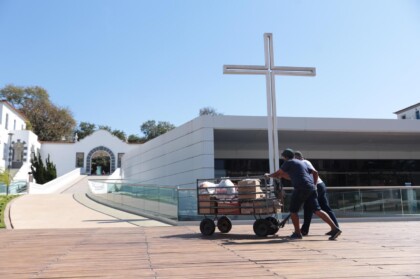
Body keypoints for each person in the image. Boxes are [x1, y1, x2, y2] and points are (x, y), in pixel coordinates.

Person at [267, 148, 342, 240]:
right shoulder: (301, 163)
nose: (283, 158)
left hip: (301, 188)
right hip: (311, 187)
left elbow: (279, 172)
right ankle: (335, 229)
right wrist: (314, 185)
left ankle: (297, 233)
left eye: (283, 157)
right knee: (317, 210)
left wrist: (269, 175)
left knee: (293, 211)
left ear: (285, 157)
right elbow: (314, 172)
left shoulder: (288, 162)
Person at [295, 151, 339, 236]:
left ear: (297, 158)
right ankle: (336, 227)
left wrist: (314, 186)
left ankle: (304, 230)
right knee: (325, 207)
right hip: (320, 184)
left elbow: (315, 172)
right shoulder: (305, 162)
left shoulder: (303, 162)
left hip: (316, 186)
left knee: (309, 208)